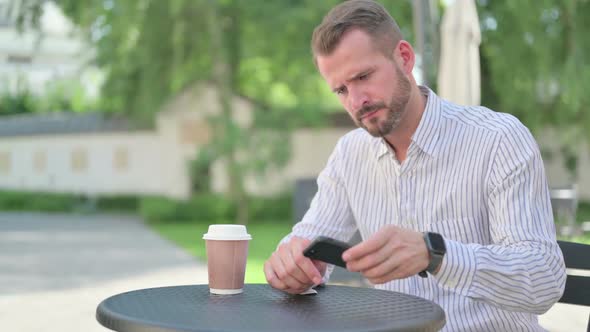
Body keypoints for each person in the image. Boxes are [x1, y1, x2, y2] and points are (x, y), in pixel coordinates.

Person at [263, 0, 566, 331]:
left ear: (404, 58)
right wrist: (290, 265)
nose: (356, 101)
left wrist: (436, 255)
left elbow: (543, 281)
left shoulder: (498, 140)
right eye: (341, 89)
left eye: (363, 76)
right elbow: (307, 241)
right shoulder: (350, 154)